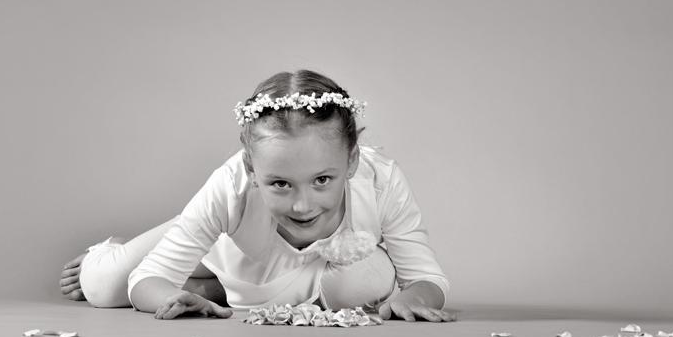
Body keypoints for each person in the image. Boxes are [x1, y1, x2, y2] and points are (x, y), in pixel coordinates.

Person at [59, 69, 453, 322]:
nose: (302, 205)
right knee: (104, 286)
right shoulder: (231, 185)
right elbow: (149, 279)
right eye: (280, 183)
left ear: (351, 160)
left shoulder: (380, 180)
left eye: (322, 180)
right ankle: (129, 255)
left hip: (316, 269)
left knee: (362, 284)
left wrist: (417, 296)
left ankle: (223, 292)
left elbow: (427, 277)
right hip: (223, 247)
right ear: (251, 168)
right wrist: (172, 295)